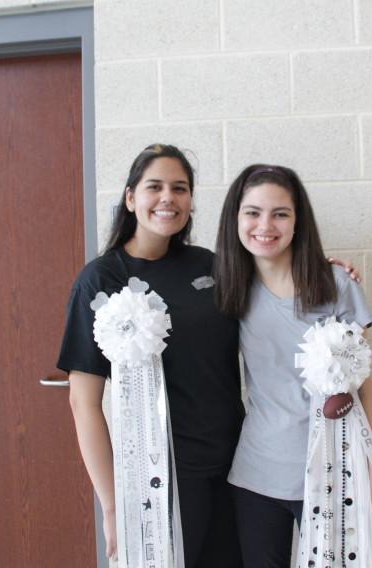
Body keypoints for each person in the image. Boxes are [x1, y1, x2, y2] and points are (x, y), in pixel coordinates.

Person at [56, 144, 244, 567]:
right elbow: (82, 402)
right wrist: (111, 504)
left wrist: (326, 275)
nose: (168, 198)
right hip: (163, 478)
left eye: (180, 188)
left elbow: (275, 290)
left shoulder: (211, 265)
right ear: (130, 198)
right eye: (154, 186)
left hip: (235, 466)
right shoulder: (101, 278)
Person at [213, 164, 372, 568]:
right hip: (257, 476)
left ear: (298, 221)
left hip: (334, 474)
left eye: (280, 214)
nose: (265, 225)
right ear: (235, 218)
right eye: (253, 212)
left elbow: (363, 390)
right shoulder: (228, 289)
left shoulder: (337, 285)